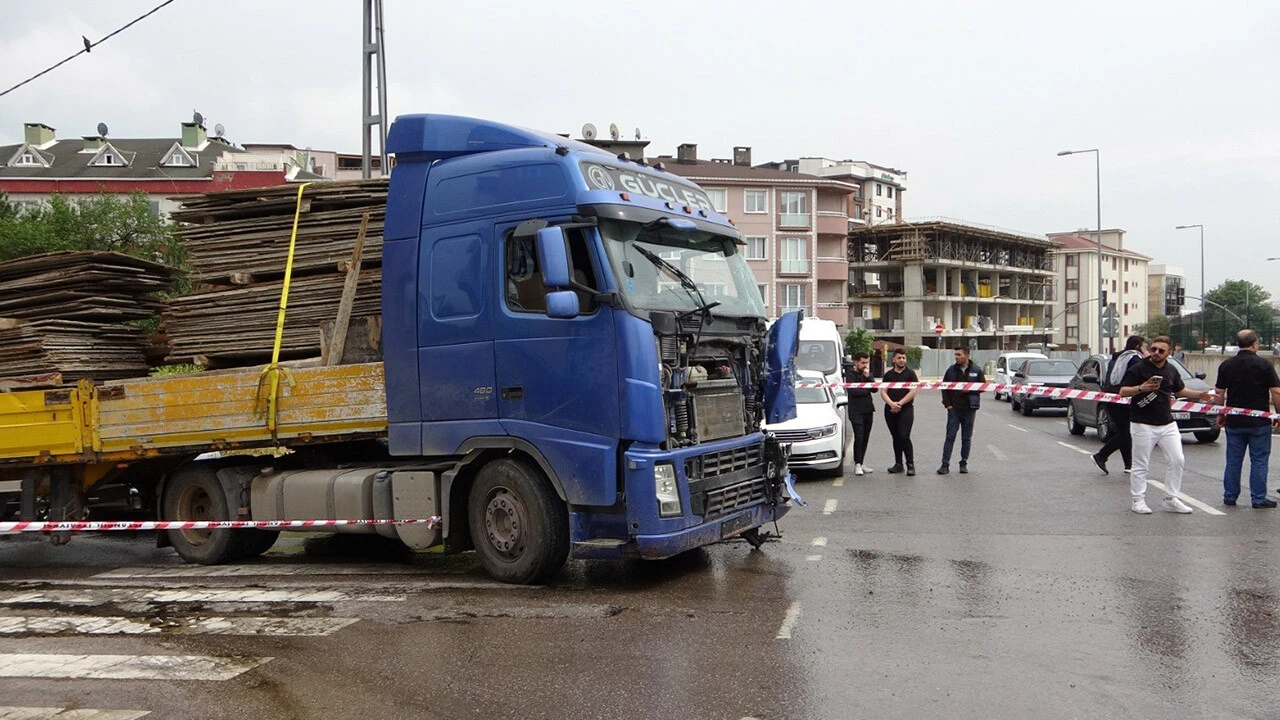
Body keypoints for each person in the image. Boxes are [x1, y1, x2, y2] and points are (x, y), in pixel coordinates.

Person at [1118, 335, 1215, 514]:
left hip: (1167, 423)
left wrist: (1200, 395)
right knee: (1141, 464)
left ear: (1169, 353)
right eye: (1153, 349)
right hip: (1143, 423)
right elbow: (1123, 391)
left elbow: (1179, 390)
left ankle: (1171, 498)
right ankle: (1138, 500)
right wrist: (1141, 388)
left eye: (1161, 351)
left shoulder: (1171, 369)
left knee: (1178, 459)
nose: (1156, 353)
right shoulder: (1138, 368)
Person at [1214, 329, 1280, 508]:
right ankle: (1258, 498)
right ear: (1255, 344)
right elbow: (1276, 391)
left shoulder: (1226, 365)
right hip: (1259, 421)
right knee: (1259, 460)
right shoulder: (1265, 365)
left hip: (1234, 421)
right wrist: (1278, 415)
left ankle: (1230, 496)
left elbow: (1219, 393)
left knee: (1233, 460)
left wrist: (1221, 413)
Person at [1092, 335, 1146, 475]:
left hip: (1112, 398)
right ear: (1138, 346)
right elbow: (1142, 375)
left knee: (1124, 431)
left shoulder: (1118, 358)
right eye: (1144, 346)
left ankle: (1129, 465)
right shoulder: (1134, 359)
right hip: (1122, 399)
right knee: (1126, 432)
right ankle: (1101, 456)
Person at [938, 347, 985, 475]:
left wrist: (970, 390)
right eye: (955, 355)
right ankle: (945, 464)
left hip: (970, 409)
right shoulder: (951, 370)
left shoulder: (976, 370)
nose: (956, 357)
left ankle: (963, 463)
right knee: (950, 437)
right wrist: (948, 405)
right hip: (954, 409)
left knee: (966, 438)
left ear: (967, 356)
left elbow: (983, 387)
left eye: (959, 354)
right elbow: (944, 388)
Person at [880, 348, 919, 476]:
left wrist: (899, 403)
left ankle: (910, 464)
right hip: (890, 409)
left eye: (903, 358)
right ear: (893, 359)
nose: (902, 360)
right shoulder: (888, 375)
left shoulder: (910, 374)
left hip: (905, 409)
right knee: (895, 436)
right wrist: (891, 403)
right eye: (899, 358)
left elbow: (913, 392)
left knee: (904, 436)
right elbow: (883, 392)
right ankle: (898, 464)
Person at [845, 352, 876, 476]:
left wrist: (868, 377)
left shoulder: (868, 374)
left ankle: (861, 462)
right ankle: (857, 464)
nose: (865, 365)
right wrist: (866, 388)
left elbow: (875, 388)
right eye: (862, 362)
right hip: (856, 410)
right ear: (856, 362)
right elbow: (853, 391)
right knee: (859, 436)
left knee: (865, 437)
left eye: (867, 362)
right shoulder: (851, 375)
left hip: (868, 409)